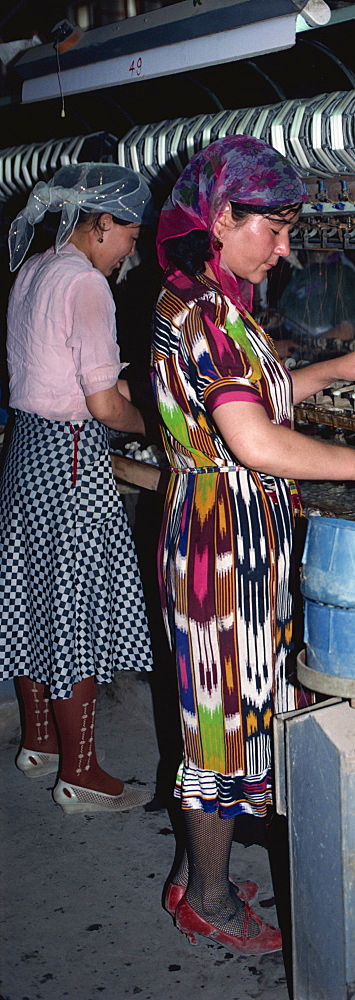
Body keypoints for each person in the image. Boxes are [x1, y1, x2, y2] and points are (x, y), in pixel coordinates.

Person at [152, 135, 355, 956]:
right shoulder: (201, 315)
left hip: (235, 536)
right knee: (219, 725)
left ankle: (205, 870)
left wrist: (338, 366)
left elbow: (260, 395)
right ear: (223, 218)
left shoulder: (218, 302)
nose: (287, 247)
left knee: (229, 712)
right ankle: (207, 900)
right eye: (275, 228)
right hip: (217, 544)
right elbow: (257, 441)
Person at [0, 163, 154, 814]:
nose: (132, 250)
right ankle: (81, 773)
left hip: (25, 451)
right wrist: (149, 424)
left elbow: (52, 370)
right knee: (75, 611)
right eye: (129, 236)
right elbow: (99, 403)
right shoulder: (87, 286)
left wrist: (114, 389)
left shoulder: (36, 269)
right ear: (101, 224)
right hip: (68, 459)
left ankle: (39, 744)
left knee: (35, 597)